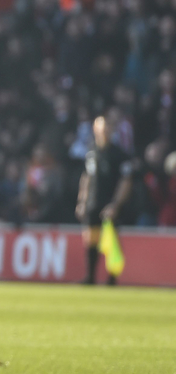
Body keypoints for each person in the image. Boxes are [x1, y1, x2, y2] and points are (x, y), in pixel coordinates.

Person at [75, 114, 133, 285]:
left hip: (110, 203)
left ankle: (112, 279)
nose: (105, 130)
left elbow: (125, 181)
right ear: (95, 128)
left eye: (108, 126)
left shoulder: (119, 154)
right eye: (102, 126)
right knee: (90, 239)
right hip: (93, 201)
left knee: (111, 241)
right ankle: (90, 277)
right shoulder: (91, 151)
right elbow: (86, 177)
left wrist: (115, 204)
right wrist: (82, 201)